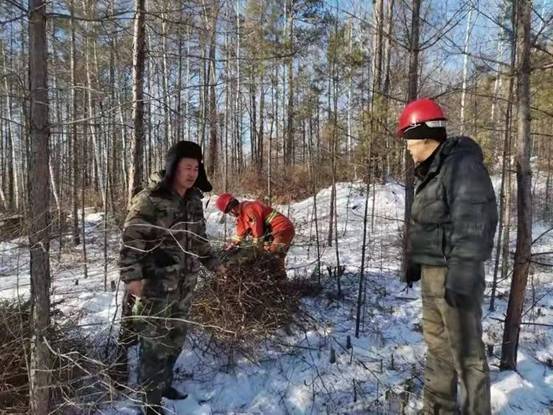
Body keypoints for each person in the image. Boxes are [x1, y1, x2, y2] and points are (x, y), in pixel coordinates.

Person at [397, 98, 498, 415]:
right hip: (434, 273)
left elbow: (475, 220)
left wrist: (462, 275)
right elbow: (429, 224)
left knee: (467, 355)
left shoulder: (461, 166)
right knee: (438, 348)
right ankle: (438, 410)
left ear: (425, 135)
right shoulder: (432, 171)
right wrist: (416, 260)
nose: (407, 147)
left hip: (455, 274)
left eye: (409, 139)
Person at [119, 141, 222, 414]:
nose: (192, 173)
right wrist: (132, 277)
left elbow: (199, 239)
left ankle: (163, 385)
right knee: (154, 344)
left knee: (175, 340)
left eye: (196, 168)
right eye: (187, 167)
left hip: (185, 286)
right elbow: (132, 239)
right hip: (156, 286)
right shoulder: (150, 198)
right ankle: (149, 402)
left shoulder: (194, 200)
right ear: (173, 167)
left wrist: (213, 263)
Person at [215, 194, 295, 277]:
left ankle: (280, 281)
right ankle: (280, 281)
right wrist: (230, 245)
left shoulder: (249, 208)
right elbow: (239, 234)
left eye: (229, 212)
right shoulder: (242, 215)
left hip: (281, 230)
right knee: (274, 259)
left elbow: (257, 234)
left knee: (273, 258)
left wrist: (255, 251)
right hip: (274, 232)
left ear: (231, 209)